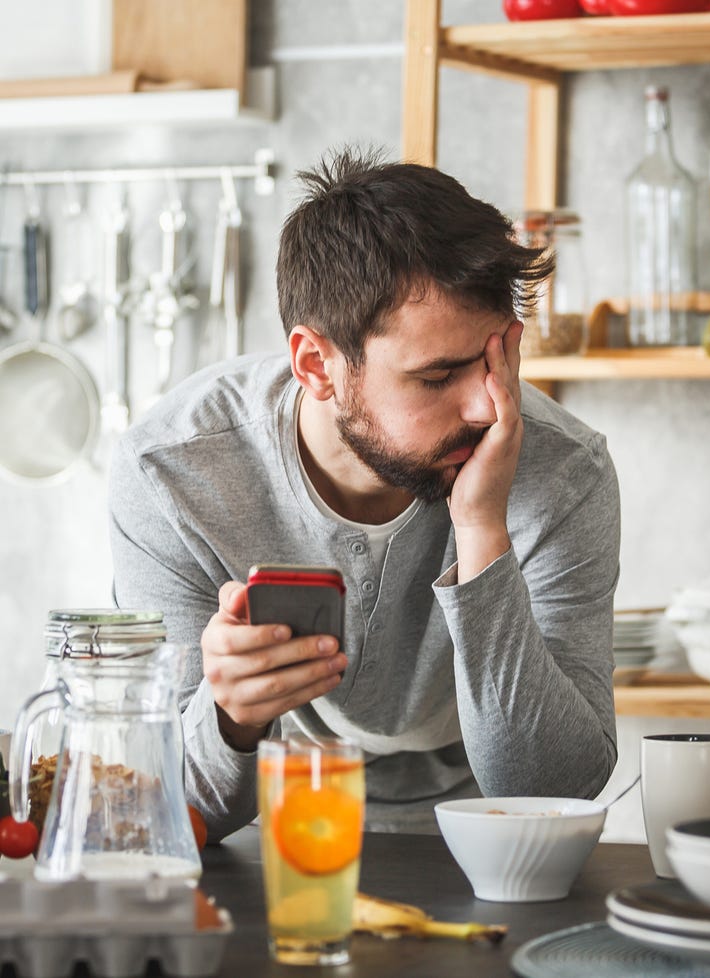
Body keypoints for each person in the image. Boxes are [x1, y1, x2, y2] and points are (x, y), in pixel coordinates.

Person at [108, 148, 621, 840]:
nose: (486, 408)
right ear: (317, 365)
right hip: (277, 820)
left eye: (495, 361)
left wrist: (481, 529)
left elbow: (552, 790)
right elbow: (176, 805)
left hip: (482, 828)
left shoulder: (565, 472)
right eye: (439, 377)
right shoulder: (170, 475)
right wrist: (231, 715)